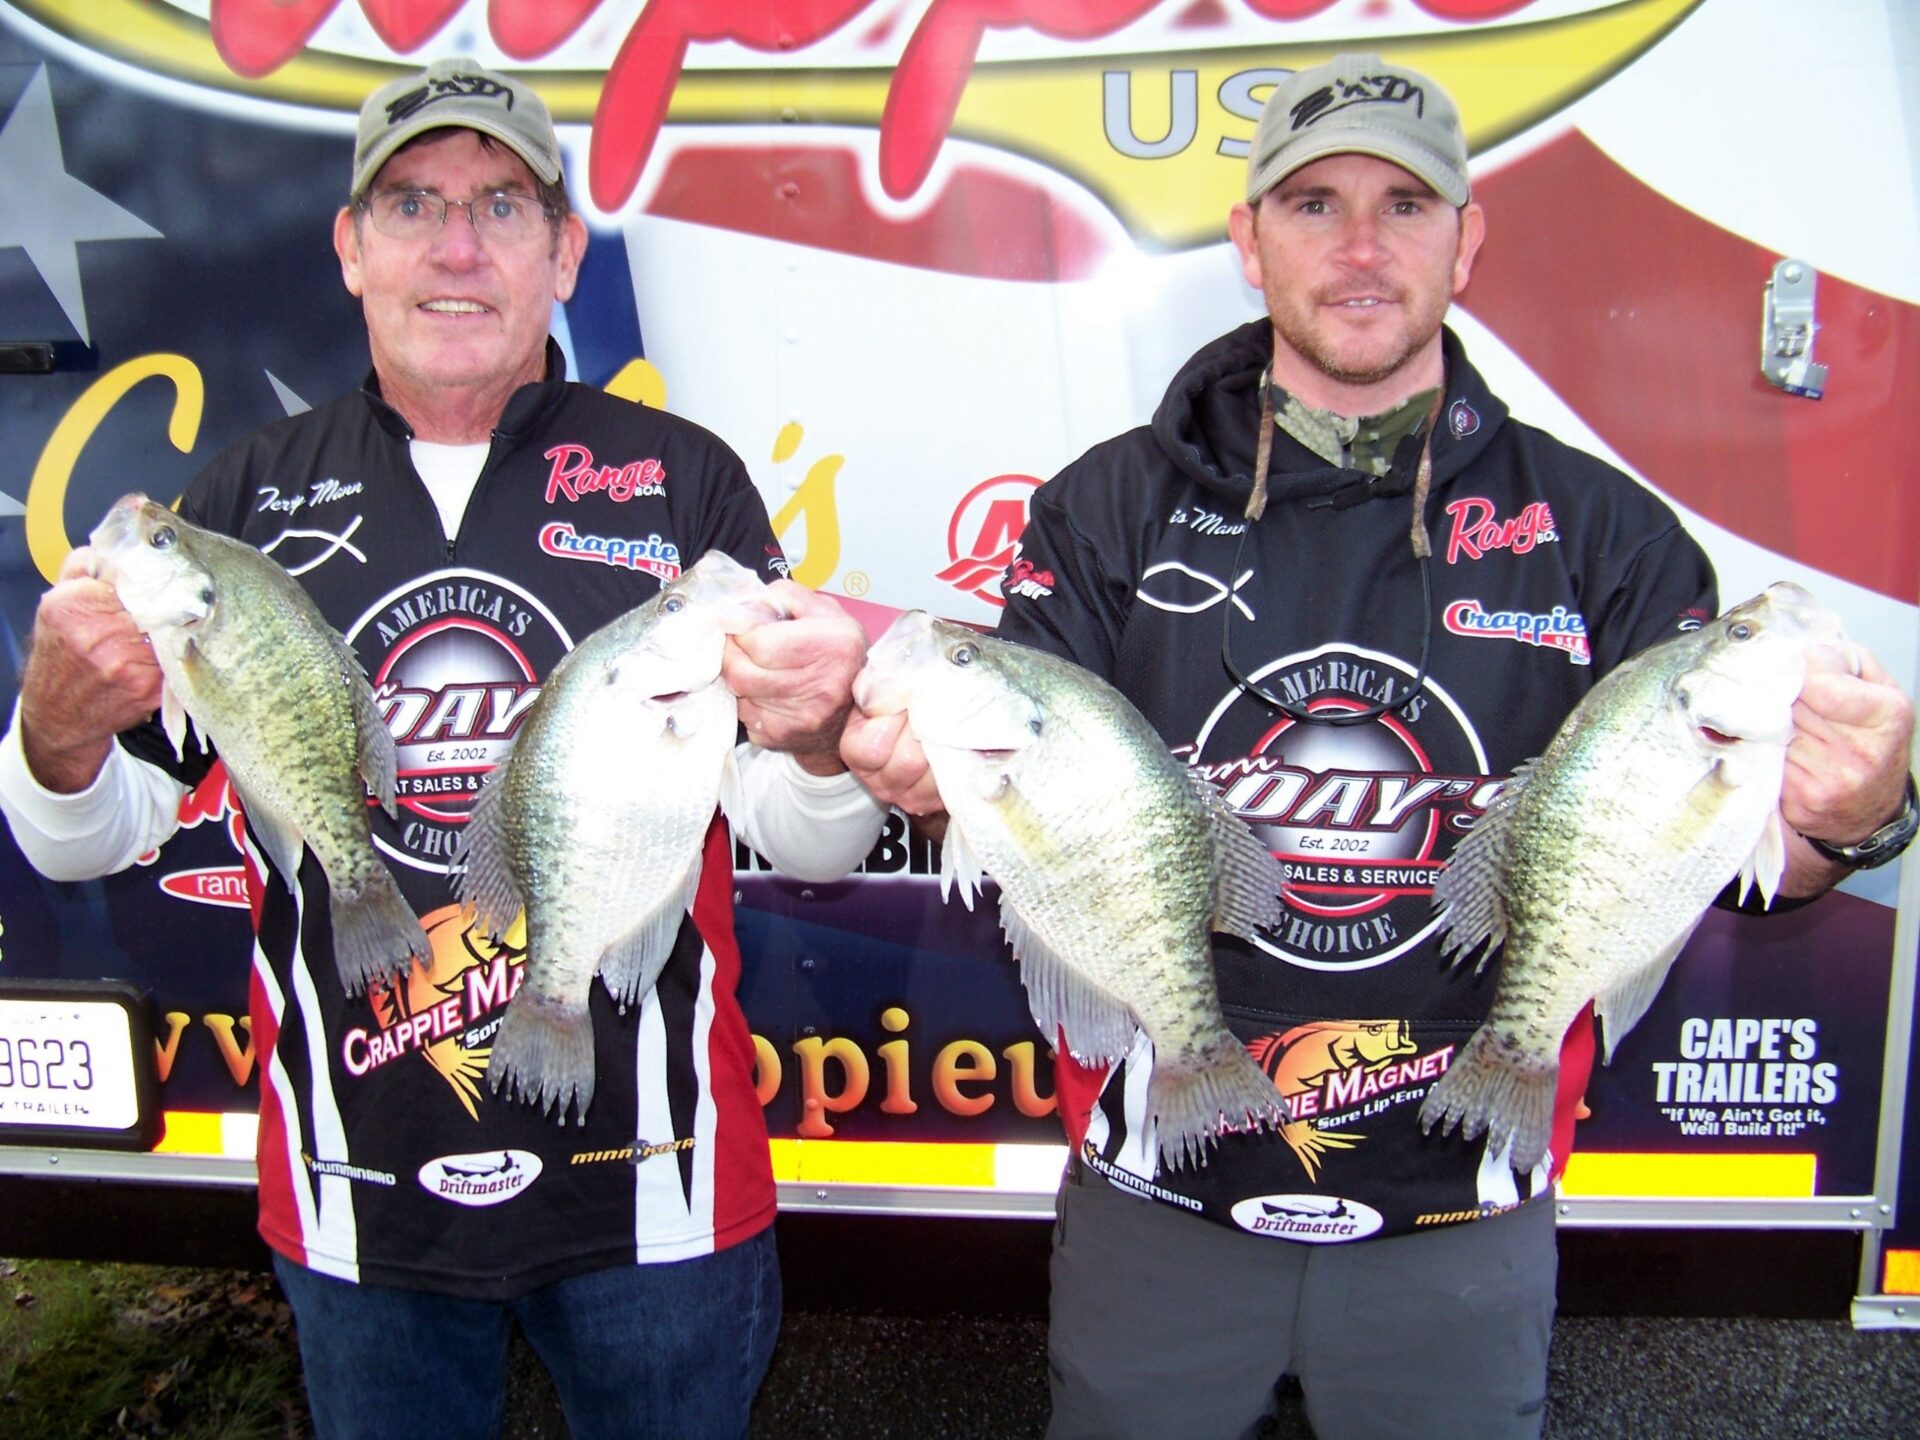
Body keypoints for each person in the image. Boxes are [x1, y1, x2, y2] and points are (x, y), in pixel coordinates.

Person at [842, 52, 1916, 1440]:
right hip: (1159, 1186)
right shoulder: (1102, 510)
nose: (1360, 246)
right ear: (1247, 240)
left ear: (1468, 243)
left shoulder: (1607, 537)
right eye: (1313, 203)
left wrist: (1857, 813)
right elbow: (1032, 814)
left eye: (1407, 205)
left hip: (1466, 1195)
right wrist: (920, 777)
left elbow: (1755, 868)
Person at [0, 57, 884, 1440]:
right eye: (412, 204)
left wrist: (824, 739)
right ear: (352, 250)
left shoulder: (683, 481)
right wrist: (52, 731)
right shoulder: (244, 503)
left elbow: (807, 837)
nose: (458, 246)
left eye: (502, 205)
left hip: (656, 1182)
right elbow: (99, 833)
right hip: (359, 1197)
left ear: (562, 251)